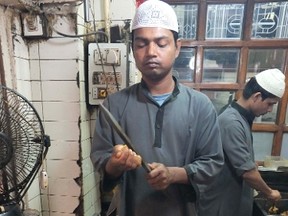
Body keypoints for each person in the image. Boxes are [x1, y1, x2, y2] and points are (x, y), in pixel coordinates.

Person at [90, 0, 224, 215]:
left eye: (161, 43)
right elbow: (100, 160)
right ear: (133, 49)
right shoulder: (114, 105)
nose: (151, 52)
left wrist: (174, 174)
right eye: (142, 44)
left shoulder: (200, 106)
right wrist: (115, 163)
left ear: (177, 48)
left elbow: (212, 164)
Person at [198, 68, 285, 216]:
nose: (270, 110)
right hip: (222, 205)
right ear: (257, 96)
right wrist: (270, 193)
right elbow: (247, 172)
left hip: (233, 202)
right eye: (270, 104)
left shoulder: (240, 117)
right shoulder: (231, 122)